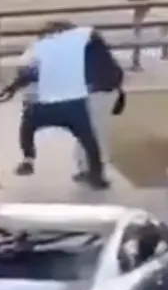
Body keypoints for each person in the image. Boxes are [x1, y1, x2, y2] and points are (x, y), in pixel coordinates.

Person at [12, 20, 111, 190]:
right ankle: (96, 173)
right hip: (70, 104)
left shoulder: (38, 49)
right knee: (88, 139)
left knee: (27, 127)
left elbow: (23, 70)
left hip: (45, 104)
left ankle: (28, 159)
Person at [72, 28, 125, 183]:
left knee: (93, 132)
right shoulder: (99, 52)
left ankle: (93, 170)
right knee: (94, 131)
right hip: (105, 93)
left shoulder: (85, 52)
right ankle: (89, 168)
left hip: (98, 95)